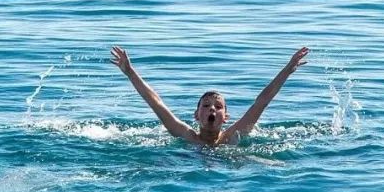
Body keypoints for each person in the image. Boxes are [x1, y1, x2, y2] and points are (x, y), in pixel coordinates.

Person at [110, 45, 309, 146]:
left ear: (226, 118)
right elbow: (156, 103)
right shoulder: (185, 135)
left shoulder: (232, 137)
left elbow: (261, 102)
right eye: (205, 106)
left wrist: (287, 70)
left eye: (218, 106)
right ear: (196, 115)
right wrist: (130, 72)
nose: (212, 108)